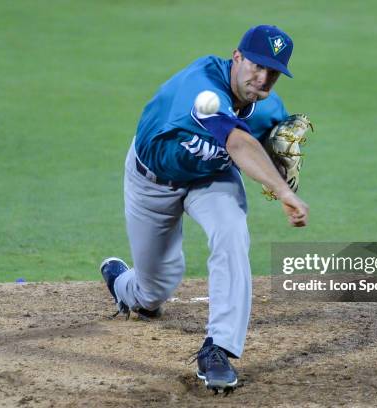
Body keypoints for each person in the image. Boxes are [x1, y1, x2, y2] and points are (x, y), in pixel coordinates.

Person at [100, 25, 308, 391]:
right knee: (154, 288)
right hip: (152, 181)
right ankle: (124, 286)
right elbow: (239, 143)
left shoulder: (269, 108)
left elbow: (266, 148)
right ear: (237, 57)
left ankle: (218, 348)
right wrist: (280, 189)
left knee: (231, 231)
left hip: (210, 180)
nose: (263, 78)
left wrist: (280, 170)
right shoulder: (202, 88)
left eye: (273, 72)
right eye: (256, 66)